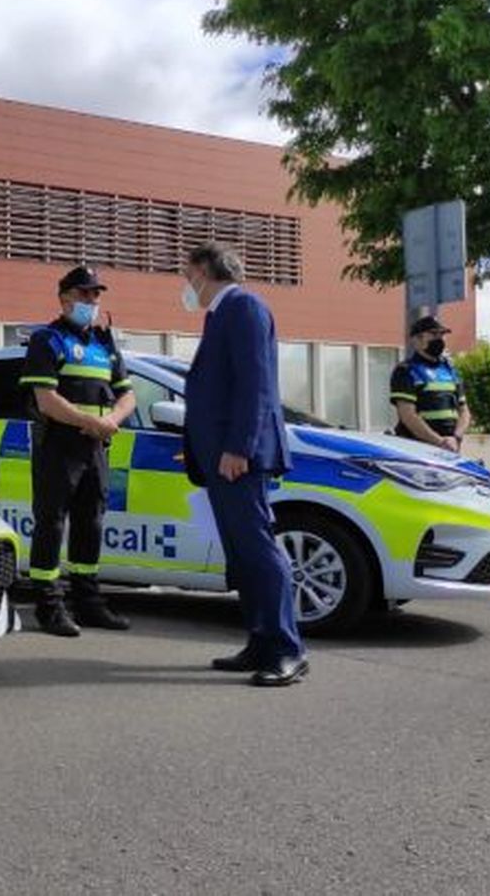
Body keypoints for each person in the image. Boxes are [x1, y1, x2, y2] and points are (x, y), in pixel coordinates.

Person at [181, 243, 307, 687]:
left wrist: (239, 447)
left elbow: (256, 385)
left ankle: (287, 649)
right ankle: (261, 640)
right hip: (221, 458)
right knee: (241, 555)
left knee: (257, 550)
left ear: (203, 270)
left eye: (187, 274)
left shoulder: (245, 307)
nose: (186, 284)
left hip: (238, 459)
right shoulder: (221, 314)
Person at [18, 266, 136, 636]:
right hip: (59, 445)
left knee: (91, 522)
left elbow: (127, 395)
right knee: (51, 524)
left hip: (95, 446)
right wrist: (90, 422)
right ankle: (49, 606)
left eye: (96, 294)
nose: (91, 300)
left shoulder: (104, 344)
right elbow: (46, 399)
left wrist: (111, 420)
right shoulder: (48, 339)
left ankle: (88, 601)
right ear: (64, 298)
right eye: (84, 294)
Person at [391, 316, 471, 451]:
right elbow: (408, 415)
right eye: (434, 334)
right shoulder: (406, 370)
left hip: (450, 448)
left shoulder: (450, 370)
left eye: (442, 335)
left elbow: (464, 411)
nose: (439, 339)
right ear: (417, 340)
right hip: (417, 448)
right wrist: (439, 441)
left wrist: (456, 438)